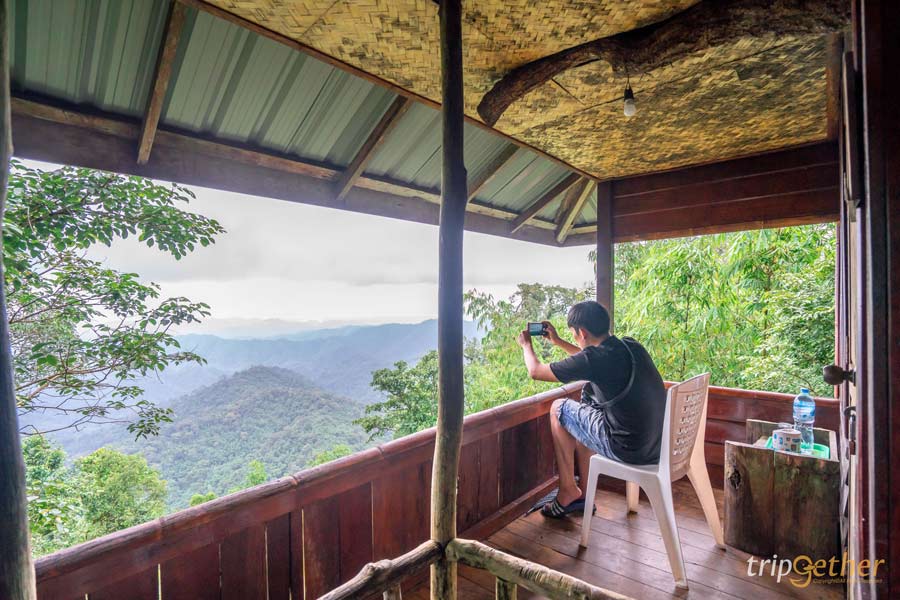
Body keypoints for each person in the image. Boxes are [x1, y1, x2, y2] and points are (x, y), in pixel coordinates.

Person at [516, 300, 666, 518]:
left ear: (582, 333)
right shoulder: (629, 346)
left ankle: (568, 490)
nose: (575, 338)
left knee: (558, 408)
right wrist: (558, 342)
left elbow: (536, 371)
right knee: (588, 399)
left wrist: (526, 345)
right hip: (657, 445)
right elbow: (590, 360)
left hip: (629, 449)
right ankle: (585, 496)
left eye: (574, 335)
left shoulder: (595, 359)